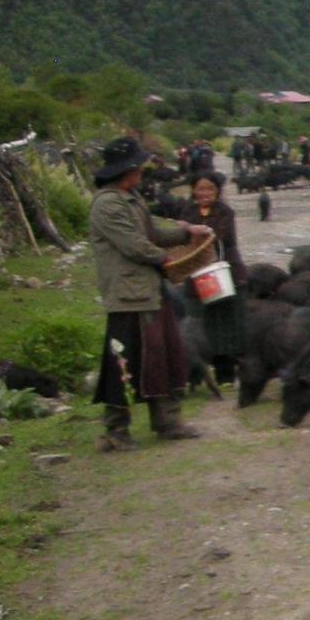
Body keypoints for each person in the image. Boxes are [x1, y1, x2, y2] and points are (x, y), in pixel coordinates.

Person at [88, 137, 205, 451]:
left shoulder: (131, 197)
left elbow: (151, 232)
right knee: (124, 363)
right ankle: (116, 430)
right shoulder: (107, 204)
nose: (142, 168)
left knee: (165, 356)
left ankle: (168, 422)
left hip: (150, 290)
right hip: (128, 295)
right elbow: (134, 245)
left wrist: (186, 233)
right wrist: (167, 259)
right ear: (126, 169)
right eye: (138, 164)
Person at [181, 170, 248, 382]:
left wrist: (191, 229)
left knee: (226, 324)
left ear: (217, 190)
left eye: (210, 188)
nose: (205, 193)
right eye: (200, 188)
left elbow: (217, 236)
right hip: (197, 276)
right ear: (193, 190)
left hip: (224, 274)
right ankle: (199, 372)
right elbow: (180, 239)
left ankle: (226, 374)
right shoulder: (187, 211)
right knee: (203, 324)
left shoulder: (225, 212)